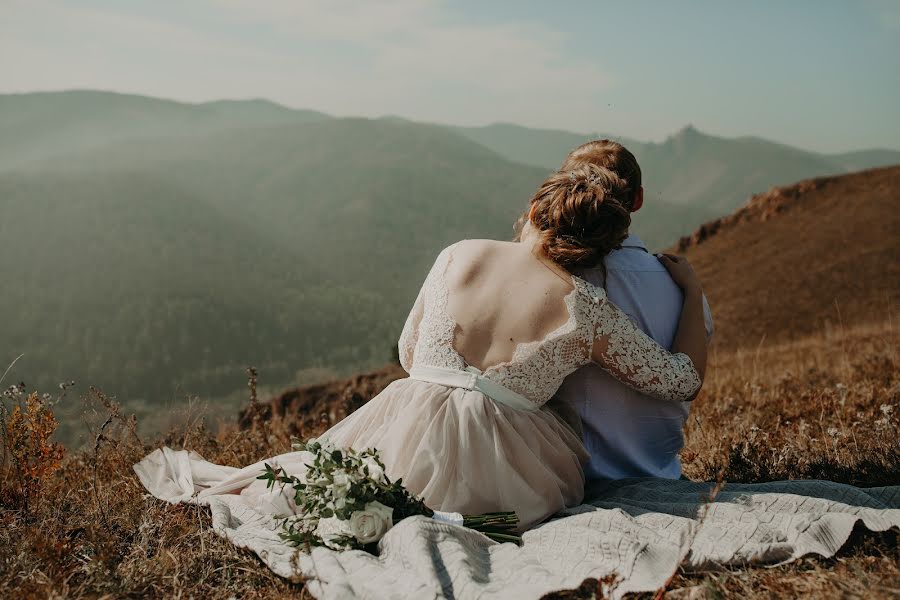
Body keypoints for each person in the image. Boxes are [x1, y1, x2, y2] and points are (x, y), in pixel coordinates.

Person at [134, 162, 709, 532]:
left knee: (325, 493)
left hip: (402, 421)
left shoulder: (457, 253)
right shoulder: (586, 306)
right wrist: (691, 289)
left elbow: (410, 353)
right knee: (498, 523)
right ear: (601, 250)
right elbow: (680, 379)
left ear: (533, 211)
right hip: (502, 458)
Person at [553, 140, 714, 480]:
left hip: (569, 481)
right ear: (637, 200)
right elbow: (689, 382)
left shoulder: (553, 285)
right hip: (661, 476)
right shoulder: (686, 293)